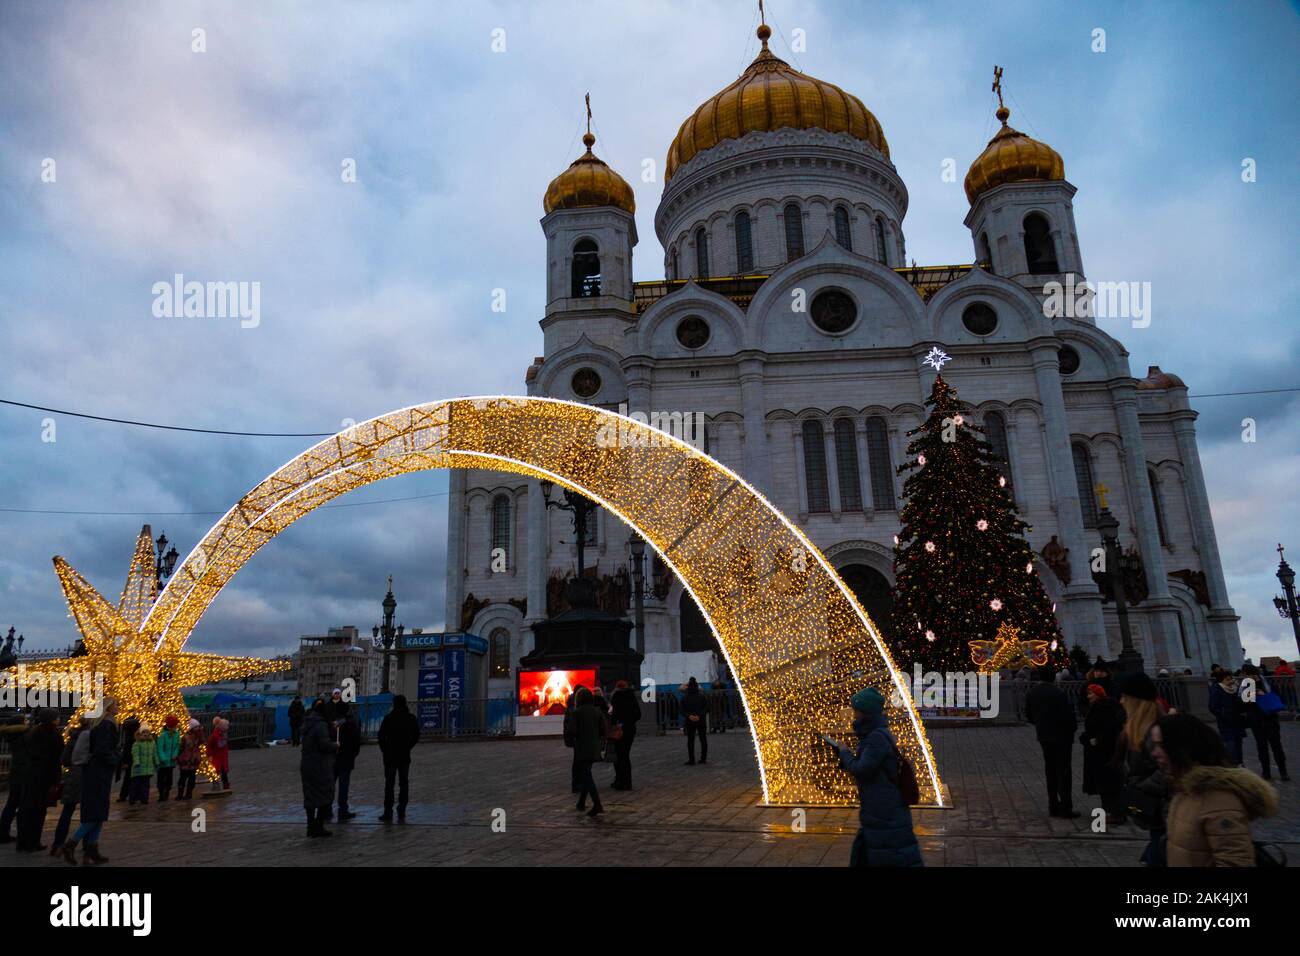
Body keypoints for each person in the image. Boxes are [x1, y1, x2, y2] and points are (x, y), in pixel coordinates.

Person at [1155, 713, 1278, 866]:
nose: (1155, 753)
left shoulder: (1220, 801)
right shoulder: (1184, 789)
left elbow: (1235, 861)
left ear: (1182, 748)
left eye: (1161, 745)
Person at [834, 687, 923, 867]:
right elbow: (869, 765)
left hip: (884, 807)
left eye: (856, 710)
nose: (854, 714)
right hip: (881, 805)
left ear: (865, 712)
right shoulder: (875, 733)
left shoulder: (875, 737)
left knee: (892, 853)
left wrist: (844, 753)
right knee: (881, 851)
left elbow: (862, 769)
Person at [1118, 671, 1168, 866]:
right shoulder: (1137, 729)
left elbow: (1168, 771)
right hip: (1157, 814)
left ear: (1134, 700)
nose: (1121, 701)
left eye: (1124, 697)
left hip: (1164, 811)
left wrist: (1141, 788)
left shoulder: (1154, 731)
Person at [62, 697, 120, 865]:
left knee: (99, 813)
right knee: (96, 813)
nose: (119, 707)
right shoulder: (106, 725)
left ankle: (92, 848)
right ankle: (72, 843)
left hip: (98, 772)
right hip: (98, 773)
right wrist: (115, 758)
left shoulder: (102, 724)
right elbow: (102, 750)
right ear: (108, 708)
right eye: (116, 704)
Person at [1024, 665, 1079, 818]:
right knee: (1064, 771)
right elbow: (1069, 715)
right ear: (1053, 677)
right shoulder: (1058, 693)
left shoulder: (1032, 692)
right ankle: (1066, 807)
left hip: (1044, 735)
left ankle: (1053, 805)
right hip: (1062, 736)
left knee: (1050, 770)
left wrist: (1040, 724)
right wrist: (1072, 730)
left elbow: (1028, 714)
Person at [16, 710, 62, 852]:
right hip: (45, 777)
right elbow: (56, 760)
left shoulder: (31, 734)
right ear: (53, 720)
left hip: (29, 775)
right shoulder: (54, 736)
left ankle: (23, 841)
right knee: (38, 811)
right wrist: (56, 780)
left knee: (26, 809)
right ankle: (34, 841)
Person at [1080, 683, 1125, 824]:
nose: (1088, 697)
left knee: (1107, 782)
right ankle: (1111, 810)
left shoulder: (1102, 708)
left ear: (1098, 694)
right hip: (1104, 750)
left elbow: (1104, 730)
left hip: (1102, 751)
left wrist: (1092, 741)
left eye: (1090, 694)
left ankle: (1114, 812)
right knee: (1107, 781)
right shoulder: (1102, 706)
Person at [1239, 664, 1288, 781]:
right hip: (1270, 717)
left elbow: (1244, 702)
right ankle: (1283, 772)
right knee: (1276, 746)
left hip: (1258, 719)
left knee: (1263, 747)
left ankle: (1267, 773)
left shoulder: (1248, 683)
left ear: (1246, 673)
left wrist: (1254, 693)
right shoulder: (1265, 680)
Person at [378, 694, 420, 822]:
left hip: (390, 756)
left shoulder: (389, 718)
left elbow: (381, 737)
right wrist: (408, 746)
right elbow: (416, 735)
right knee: (404, 783)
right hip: (404, 755)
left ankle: (388, 811)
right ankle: (401, 810)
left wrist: (385, 750)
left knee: (389, 785)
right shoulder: (410, 718)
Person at [300, 700, 338, 836]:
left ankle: (311, 827)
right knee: (325, 795)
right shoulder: (321, 725)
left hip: (307, 763)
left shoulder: (308, 722)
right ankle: (318, 826)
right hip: (321, 765)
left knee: (310, 796)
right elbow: (324, 744)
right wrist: (336, 745)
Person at [50, 723, 86, 856]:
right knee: (87, 813)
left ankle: (57, 844)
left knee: (67, 812)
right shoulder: (90, 738)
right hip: (85, 776)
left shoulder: (72, 739)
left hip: (71, 777)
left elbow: (64, 759)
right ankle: (86, 844)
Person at [571, 686, 607, 817]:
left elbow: (573, 731)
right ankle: (581, 802)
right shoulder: (597, 711)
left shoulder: (577, 712)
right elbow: (603, 730)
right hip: (595, 747)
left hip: (582, 747)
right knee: (587, 772)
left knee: (586, 774)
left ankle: (597, 804)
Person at [0, 716, 30, 843]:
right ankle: (23, 834)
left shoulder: (12, 735)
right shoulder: (24, 735)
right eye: (25, 721)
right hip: (25, 772)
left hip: (16, 771)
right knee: (23, 804)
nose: (27, 722)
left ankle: (3, 832)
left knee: (11, 803)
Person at [1208, 672, 1246, 767]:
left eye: (1230, 679)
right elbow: (1212, 706)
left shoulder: (1235, 689)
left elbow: (1241, 703)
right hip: (1226, 721)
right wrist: (1223, 715)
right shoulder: (1217, 689)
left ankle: (1240, 762)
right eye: (1227, 679)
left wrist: (1240, 690)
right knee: (1230, 743)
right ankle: (1233, 763)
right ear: (1221, 680)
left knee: (1238, 742)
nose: (1230, 681)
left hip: (1237, 719)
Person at [609, 679, 641, 790]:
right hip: (630, 730)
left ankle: (620, 781)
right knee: (626, 755)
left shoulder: (615, 697)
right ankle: (628, 782)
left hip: (619, 730)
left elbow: (613, 715)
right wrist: (630, 722)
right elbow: (638, 714)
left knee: (619, 756)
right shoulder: (632, 697)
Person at [333, 701, 361, 821]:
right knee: (344, 786)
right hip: (346, 759)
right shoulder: (350, 725)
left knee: (329, 785)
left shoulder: (331, 725)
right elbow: (356, 743)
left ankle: (325, 809)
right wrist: (353, 755)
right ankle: (342, 810)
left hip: (332, 759)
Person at [681, 677, 709, 765]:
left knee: (690, 740)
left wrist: (689, 716)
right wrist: (699, 716)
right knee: (703, 739)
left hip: (689, 720)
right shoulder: (702, 696)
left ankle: (691, 759)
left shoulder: (685, 697)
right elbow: (707, 708)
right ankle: (703, 758)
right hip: (701, 720)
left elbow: (681, 709)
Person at [128, 725, 158, 805]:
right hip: (139, 768)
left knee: (145, 785)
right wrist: (137, 762)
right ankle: (132, 799)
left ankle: (144, 799)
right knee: (135, 784)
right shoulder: (137, 743)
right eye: (144, 732)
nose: (146, 734)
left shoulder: (152, 742)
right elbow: (135, 753)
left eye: (147, 732)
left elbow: (154, 753)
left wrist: (156, 762)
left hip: (148, 768)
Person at [155, 715, 181, 801]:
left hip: (171, 761)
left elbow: (177, 745)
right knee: (161, 779)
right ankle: (161, 794)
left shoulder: (176, 734)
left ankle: (166, 793)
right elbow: (160, 747)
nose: (176, 727)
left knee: (169, 779)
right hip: (163, 762)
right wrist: (162, 758)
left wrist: (175, 754)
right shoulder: (163, 735)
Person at [177, 718, 204, 799]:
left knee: (192, 778)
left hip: (194, 760)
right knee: (183, 778)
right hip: (185, 760)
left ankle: (189, 793)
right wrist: (180, 758)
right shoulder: (185, 737)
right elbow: (181, 748)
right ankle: (180, 794)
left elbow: (203, 742)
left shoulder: (198, 737)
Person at [116, 713, 140, 802]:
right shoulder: (134, 738)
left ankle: (125, 795)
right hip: (133, 761)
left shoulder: (128, 737)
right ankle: (132, 795)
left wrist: (125, 762)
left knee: (128, 778)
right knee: (132, 778)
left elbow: (126, 750)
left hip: (130, 761)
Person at [207, 716, 231, 791]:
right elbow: (209, 746)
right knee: (216, 771)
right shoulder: (215, 736)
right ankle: (217, 784)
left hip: (222, 756)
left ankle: (225, 784)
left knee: (223, 771)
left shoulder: (223, 735)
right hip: (216, 756)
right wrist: (210, 755)